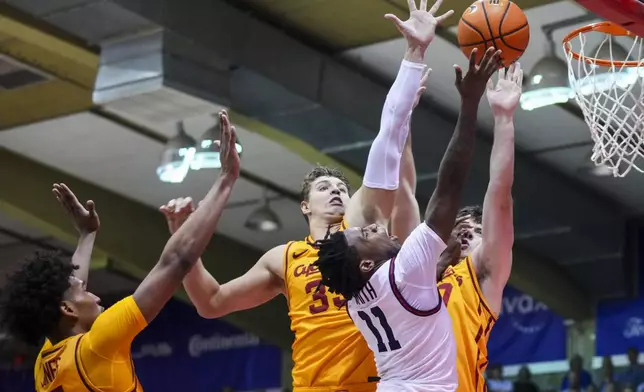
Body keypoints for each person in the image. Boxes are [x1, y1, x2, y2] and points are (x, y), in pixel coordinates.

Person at [160, 2, 453, 391]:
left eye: (341, 187)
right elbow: (211, 303)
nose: (336, 190)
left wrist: (414, 54)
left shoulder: (363, 227)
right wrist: (183, 241)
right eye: (323, 187)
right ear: (304, 206)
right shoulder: (283, 258)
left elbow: (387, 146)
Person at [0, 110, 241, 392]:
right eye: (83, 291)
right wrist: (226, 178)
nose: (93, 292)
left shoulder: (47, 362)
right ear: (66, 309)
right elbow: (176, 261)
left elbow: (68, 294)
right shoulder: (98, 344)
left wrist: (87, 236)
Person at [312, 47, 502, 391]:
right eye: (367, 234)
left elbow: (413, 291)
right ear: (366, 265)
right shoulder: (404, 273)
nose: (373, 227)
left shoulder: (359, 298)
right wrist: (470, 104)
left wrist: (439, 264)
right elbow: (448, 187)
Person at [387, 60, 523, 391]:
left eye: (475, 232)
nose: (464, 232)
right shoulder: (417, 270)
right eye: (459, 228)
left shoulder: (484, 276)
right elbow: (402, 190)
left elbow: (500, 195)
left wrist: (504, 119)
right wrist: (401, 116)